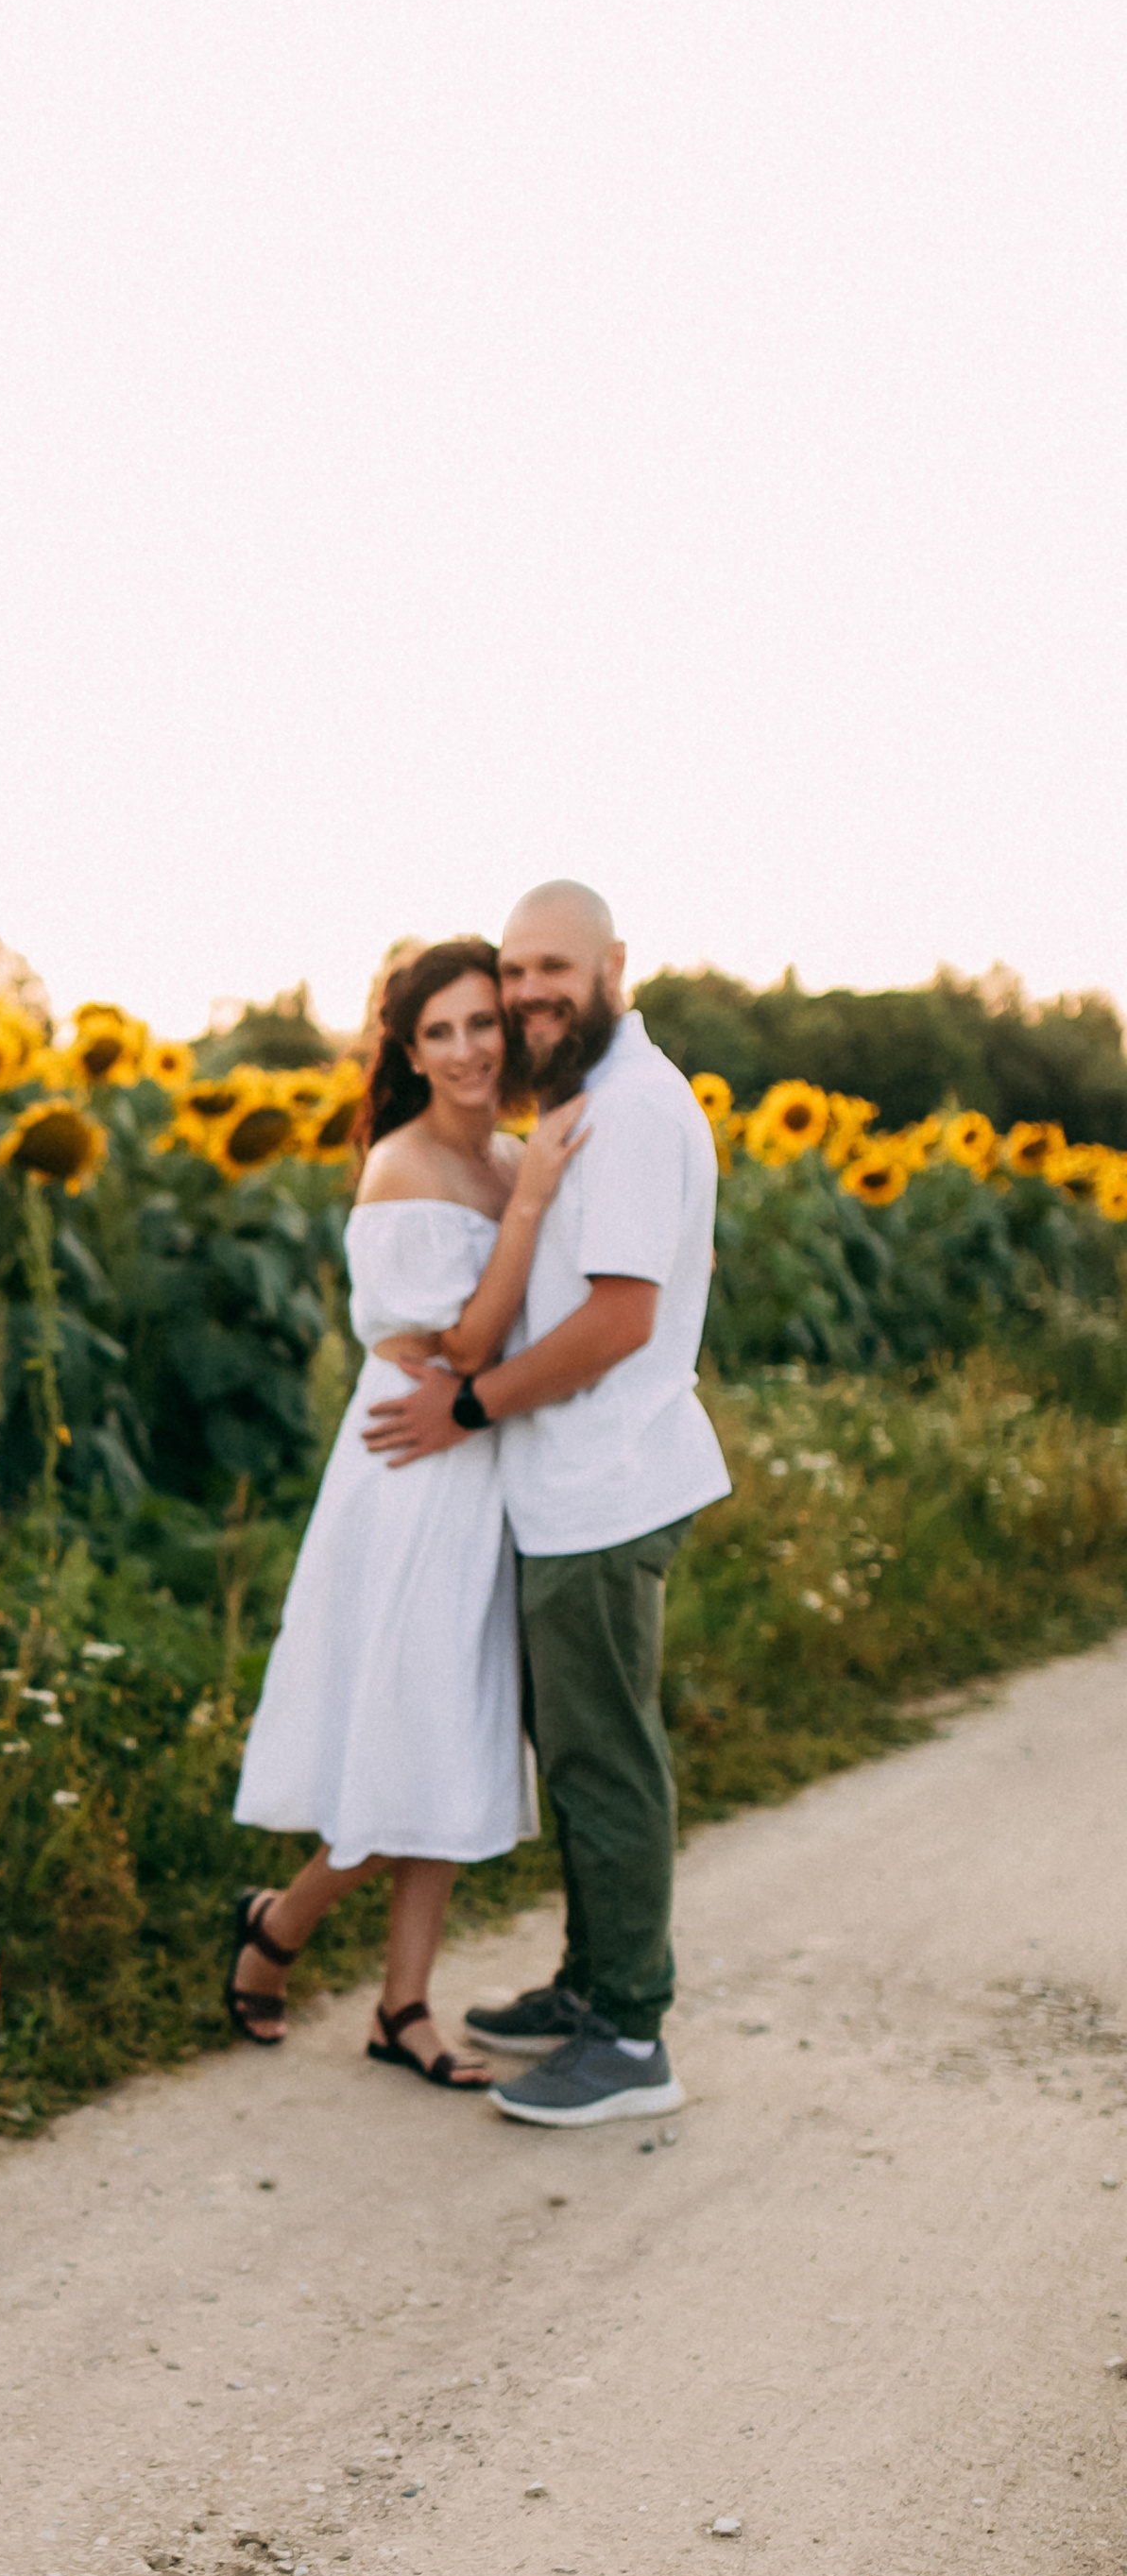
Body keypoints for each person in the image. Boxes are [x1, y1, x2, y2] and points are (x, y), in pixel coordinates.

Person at [365, 880, 731, 2126]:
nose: (527, 996)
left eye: (551, 971)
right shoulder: (585, 1096)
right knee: (579, 1752)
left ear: (615, 964)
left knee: (607, 1759)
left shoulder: (628, 1110)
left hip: (606, 1485)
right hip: (573, 1484)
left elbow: (620, 1319)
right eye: (514, 972)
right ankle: (590, 1988)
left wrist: (468, 1406)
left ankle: (630, 2038)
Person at [229, 938, 590, 2086]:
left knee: (456, 1730)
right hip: (413, 1462)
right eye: (439, 1032)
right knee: (409, 1729)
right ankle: (279, 1925)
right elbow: (470, 1344)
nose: (468, 1049)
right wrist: (533, 1200)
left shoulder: (503, 1153)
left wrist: (525, 1182)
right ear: (408, 1050)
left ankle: (401, 2007)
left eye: (482, 1023)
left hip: (485, 1457)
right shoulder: (405, 1166)